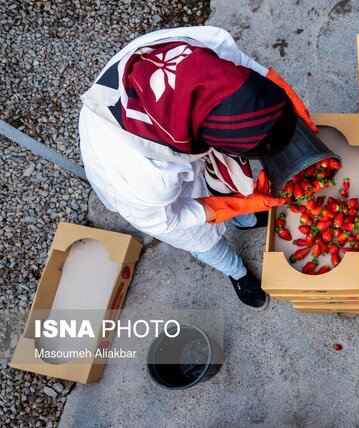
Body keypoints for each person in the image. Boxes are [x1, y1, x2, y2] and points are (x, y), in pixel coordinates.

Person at [78, 26, 317, 310]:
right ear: (216, 146)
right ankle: (238, 273)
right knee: (202, 237)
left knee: (228, 183)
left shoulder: (201, 52)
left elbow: (244, 72)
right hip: (127, 165)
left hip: (174, 123)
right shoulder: (146, 178)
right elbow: (168, 220)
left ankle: (245, 221)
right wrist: (226, 207)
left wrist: (282, 96)